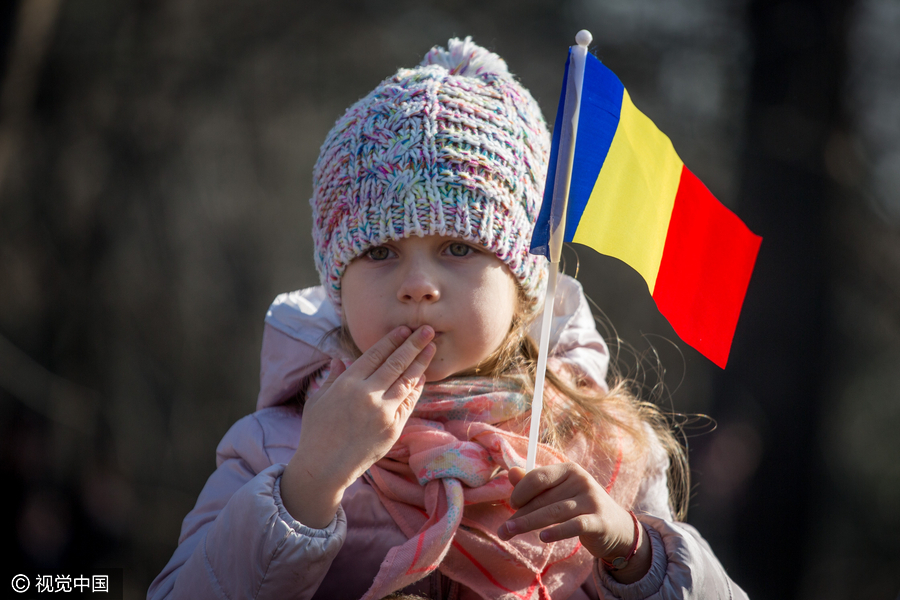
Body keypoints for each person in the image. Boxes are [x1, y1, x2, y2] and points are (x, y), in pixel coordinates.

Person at [148, 37, 748, 600]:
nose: (417, 287)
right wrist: (305, 488)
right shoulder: (277, 442)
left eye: (459, 249)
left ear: (525, 279)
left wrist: (631, 549)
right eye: (379, 253)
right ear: (336, 283)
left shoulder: (601, 443)